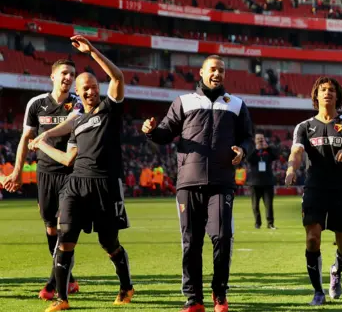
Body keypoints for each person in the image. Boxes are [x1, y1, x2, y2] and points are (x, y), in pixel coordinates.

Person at [142, 54, 253, 312]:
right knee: (191, 241)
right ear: (201, 73)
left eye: (222, 71)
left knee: (222, 237)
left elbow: (248, 137)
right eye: (213, 69)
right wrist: (150, 130)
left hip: (222, 181)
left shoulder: (236, 104)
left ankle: (220, 294)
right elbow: (165, 133)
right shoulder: (184, 101)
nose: (218, 74)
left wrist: (243, 151)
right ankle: (194, 299)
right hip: (189, 182)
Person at [32, 36, 134, 312]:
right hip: (75, 185)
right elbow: (67, 158)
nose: (89, 92)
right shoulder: (78, 123)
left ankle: (126, 286)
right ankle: (61, 299)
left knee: (108, 242)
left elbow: (118, 76)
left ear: (98, 88)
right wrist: (42, 143)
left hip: (105, 186)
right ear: (79, 92)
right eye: (84, 89)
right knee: (65, 239)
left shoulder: (110, 109)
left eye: (92, 87)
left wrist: (93, 52)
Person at [0, 58, 83, 300]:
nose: (69, 78)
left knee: (63, 227)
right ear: (53, 76)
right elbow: (26, 139)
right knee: (50, 229)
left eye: (72, 74)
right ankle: (70, 279)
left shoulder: (77, 102)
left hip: (70, 171)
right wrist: (16, 171)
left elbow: (71, 124)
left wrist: (45, 135)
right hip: (44, 173)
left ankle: (52, 284)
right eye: (65, 73)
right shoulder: (36, 104)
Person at [285, 77, 342, 306]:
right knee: (312, 239)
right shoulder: (304, 127)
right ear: (316, 96)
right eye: (323, 90)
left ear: (338, 96)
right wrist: (291, 167)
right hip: (314, 189)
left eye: (331, 90)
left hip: (341, 190)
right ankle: (318, 291)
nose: (327, 93)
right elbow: (296, 151)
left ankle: (336, 271)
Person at [246, 131, 278, 229]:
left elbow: (275, 156)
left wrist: (267, 147)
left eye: (262, 138)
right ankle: (257, 223)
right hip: (254, 182)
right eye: (258, 139)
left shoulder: (268, 150)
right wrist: (256, 149)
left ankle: (270, 223)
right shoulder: (252, 149)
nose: (260, 140)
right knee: (255, 205)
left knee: (269, 205)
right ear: (255, 140)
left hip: (267, 182)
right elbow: (248, 159)